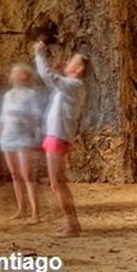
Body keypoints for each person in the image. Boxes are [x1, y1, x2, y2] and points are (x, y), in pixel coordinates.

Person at [32, 39, 86, 237]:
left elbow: (48, 77)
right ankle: (71, 223)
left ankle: (72, 225)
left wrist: (39, 53)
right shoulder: (70, 86)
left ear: (78, 69)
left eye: (72, 61)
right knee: (57, 182)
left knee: (57, 183)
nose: (67, 63)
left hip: (58, 136)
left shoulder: (74, 85)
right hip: (55, 135)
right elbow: (54, 81)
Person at [0, 63, 43, 223]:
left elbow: (37, 116)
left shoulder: (31, 94)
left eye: (17, 72)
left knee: (27, 175)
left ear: (25, 76)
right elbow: (2, 118)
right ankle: (21, 209)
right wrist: (0, 137)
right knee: (15, 175)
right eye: (13, 72)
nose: (14, 75)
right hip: (8, 138)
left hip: (24, 138)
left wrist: (34, 134)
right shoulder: (8, 95)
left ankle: (35, 213)